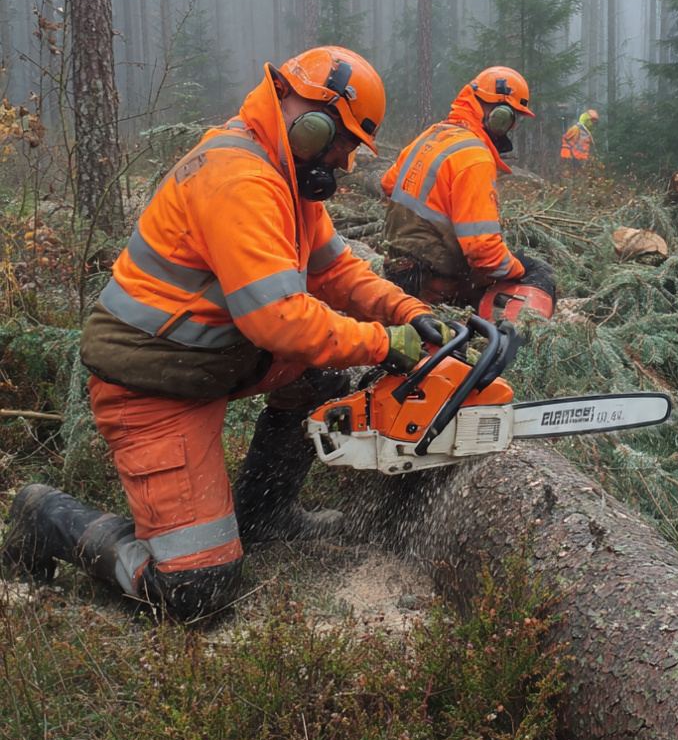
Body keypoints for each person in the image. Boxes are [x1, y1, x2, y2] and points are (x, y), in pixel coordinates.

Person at [2, 47, 444, 621]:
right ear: (311, 119)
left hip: (210, 360)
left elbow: (335, 271)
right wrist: (385, 344)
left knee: (324, 374)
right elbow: (279, 320)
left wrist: (408, 312)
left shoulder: (284, 173)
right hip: (153, 384)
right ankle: (47, 515)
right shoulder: (241, 177)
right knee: (197, 591)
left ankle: (265, 514)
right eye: (341, 143)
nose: (341, 160)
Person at [381, 66, 555, 308]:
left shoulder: (433, 134)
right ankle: (519, 339)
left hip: (397, 267)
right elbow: (484, 252)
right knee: (537, 273)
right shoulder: (475, 157)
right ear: (501, 116)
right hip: (436, 282)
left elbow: (389, 184)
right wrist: (519, 268)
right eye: (512, 119)